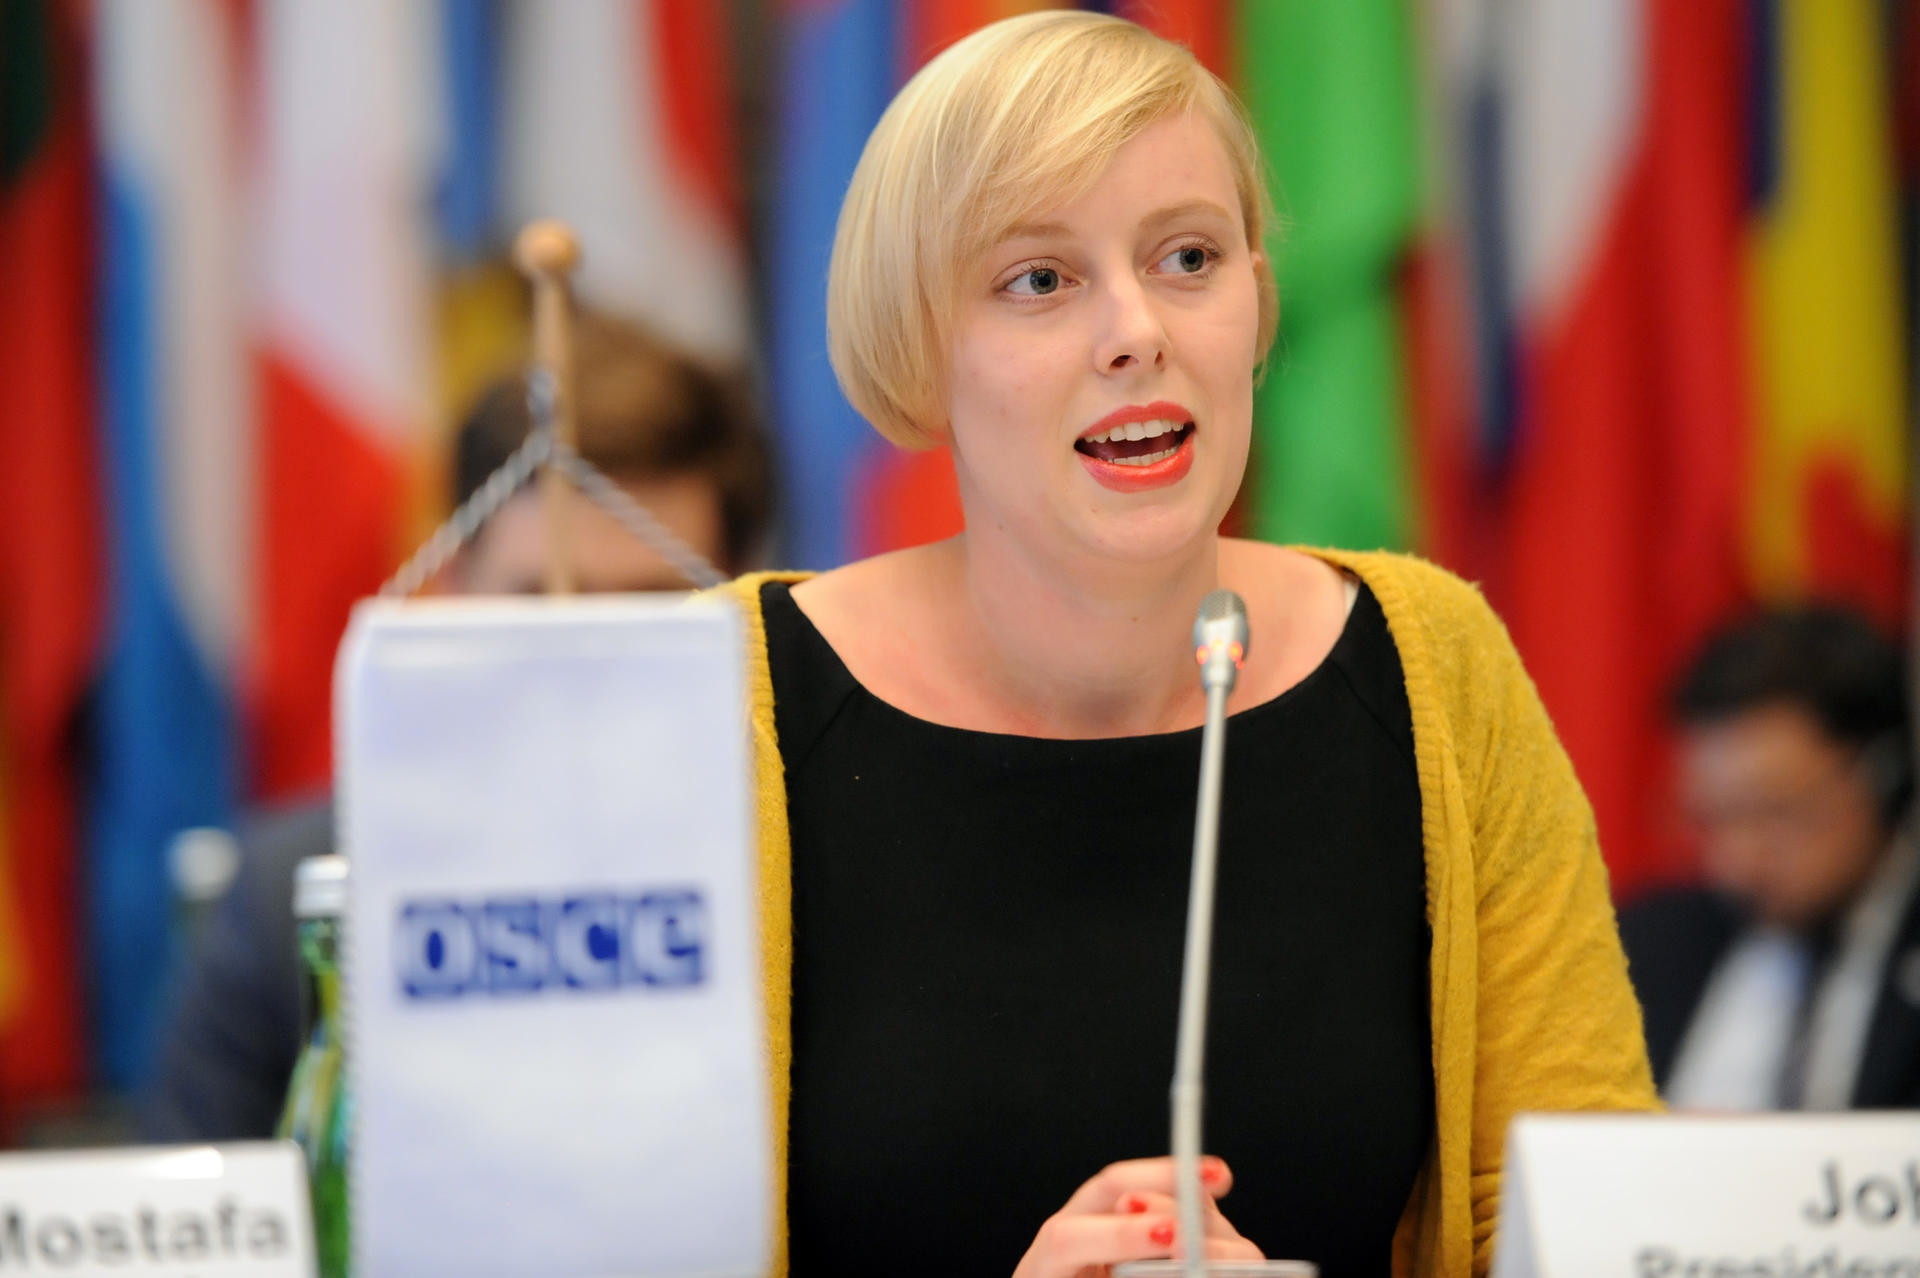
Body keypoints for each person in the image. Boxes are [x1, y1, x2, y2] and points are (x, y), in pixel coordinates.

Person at [713, 12, 1654, 1277]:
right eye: (1040, 280)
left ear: (1258, 304)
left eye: (1189, 257)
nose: (1137, 330)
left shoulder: (1435, 666)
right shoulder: (717, 704)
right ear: (918, 343)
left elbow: (1593, 1230)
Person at [140, 313, 773, 1142]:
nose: (582, 657)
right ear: (455, 586)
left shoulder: (816, 871)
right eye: (538, 600)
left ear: (741, 600)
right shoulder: (297, 898)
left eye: (649, 607)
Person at [1619, 606, 1920, 1111]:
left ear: (1883, 778)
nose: (1735, 861)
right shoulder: (1646, 947)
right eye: (1712, 817)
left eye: (1774, 812)